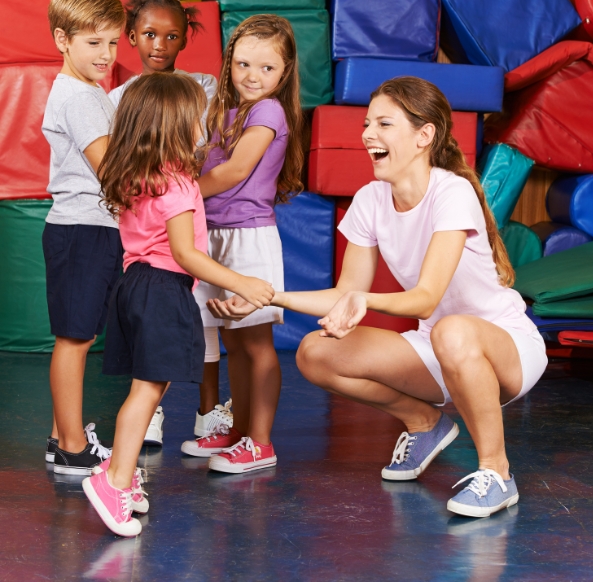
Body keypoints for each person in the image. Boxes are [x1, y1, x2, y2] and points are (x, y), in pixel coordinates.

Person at [209, 76, 548, 517]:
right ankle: (424, 422)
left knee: (452, 330)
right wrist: (270, 297)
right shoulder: (370, 198)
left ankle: (497, 473)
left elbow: (425, 299)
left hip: (506, 348)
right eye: (367, 124)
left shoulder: (452, 192)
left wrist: (366, 302)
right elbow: (346, 293)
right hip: (439, 348)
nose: (368, 134)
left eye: (384, 124)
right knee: (315, 352)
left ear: (424, 136)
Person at [82, 72, 274, 537]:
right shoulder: (179, 182)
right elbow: (187, 254)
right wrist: (242, 282)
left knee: (149, 388)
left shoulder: (137, 175)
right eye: (198, 118)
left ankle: (119, 476)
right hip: (163, 288)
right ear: (176, 124)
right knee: (147, 391)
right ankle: (114, 482)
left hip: (133, 285)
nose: (204, 127)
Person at [179, 14, 304, 474]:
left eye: (266, 69)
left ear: (285, 72)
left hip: (248, 237)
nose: (253, 77)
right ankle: (240, 431)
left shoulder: (268, 112)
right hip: (215, 232)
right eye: (244, 64)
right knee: (234, 340)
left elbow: (234, 172)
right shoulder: (227, 112)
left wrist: (179, 191)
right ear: (230, 61)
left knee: (256, 343)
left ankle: (262, 441)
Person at [107, 0, 225, 447]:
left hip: (175, 236)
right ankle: (128, 456)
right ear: (132, 37)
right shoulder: (124, 100)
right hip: (164, 249)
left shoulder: (202, 88)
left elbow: (205, 154)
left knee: (194, 330)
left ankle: (203, 413)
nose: (160, 45)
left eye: (172, 36)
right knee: (156, 354)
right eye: (150, 34)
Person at [42, 0, 125, 475]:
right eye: (93, 42)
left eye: (113, 42)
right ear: (62, 39)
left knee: (81, 335)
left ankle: (61, 437)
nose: (106, 54)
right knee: (74, 339)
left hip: (93, 228)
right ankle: (73, 447)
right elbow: (111, 169)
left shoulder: (90, 92)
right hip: (83, 229)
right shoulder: (78, 97)